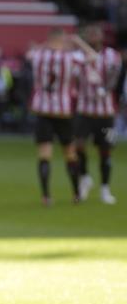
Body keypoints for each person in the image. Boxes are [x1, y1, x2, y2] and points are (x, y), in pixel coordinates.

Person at [28, 29, 95, 205]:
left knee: (44, 154)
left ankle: (46, 196)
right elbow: (93, 57)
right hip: (63, 110)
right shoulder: (70, 57)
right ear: (62, 40)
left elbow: (30, 54)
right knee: (70, 153)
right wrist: (78, 42)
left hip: (42, 109)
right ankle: (76, 194)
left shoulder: (38, 55)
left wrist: (45, 44)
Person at [73, 24, 122, 204]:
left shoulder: (111, 55)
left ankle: (105, 188)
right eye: (89, 33)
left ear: (101, 36)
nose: (92, 36)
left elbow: (114, 76)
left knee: (106, 150)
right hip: (84, 110)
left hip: (106, 112)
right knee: (78, 144)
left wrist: (104, 88)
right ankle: (85, 177)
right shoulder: (79, 55)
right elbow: (74, 76)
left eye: (95, 33)